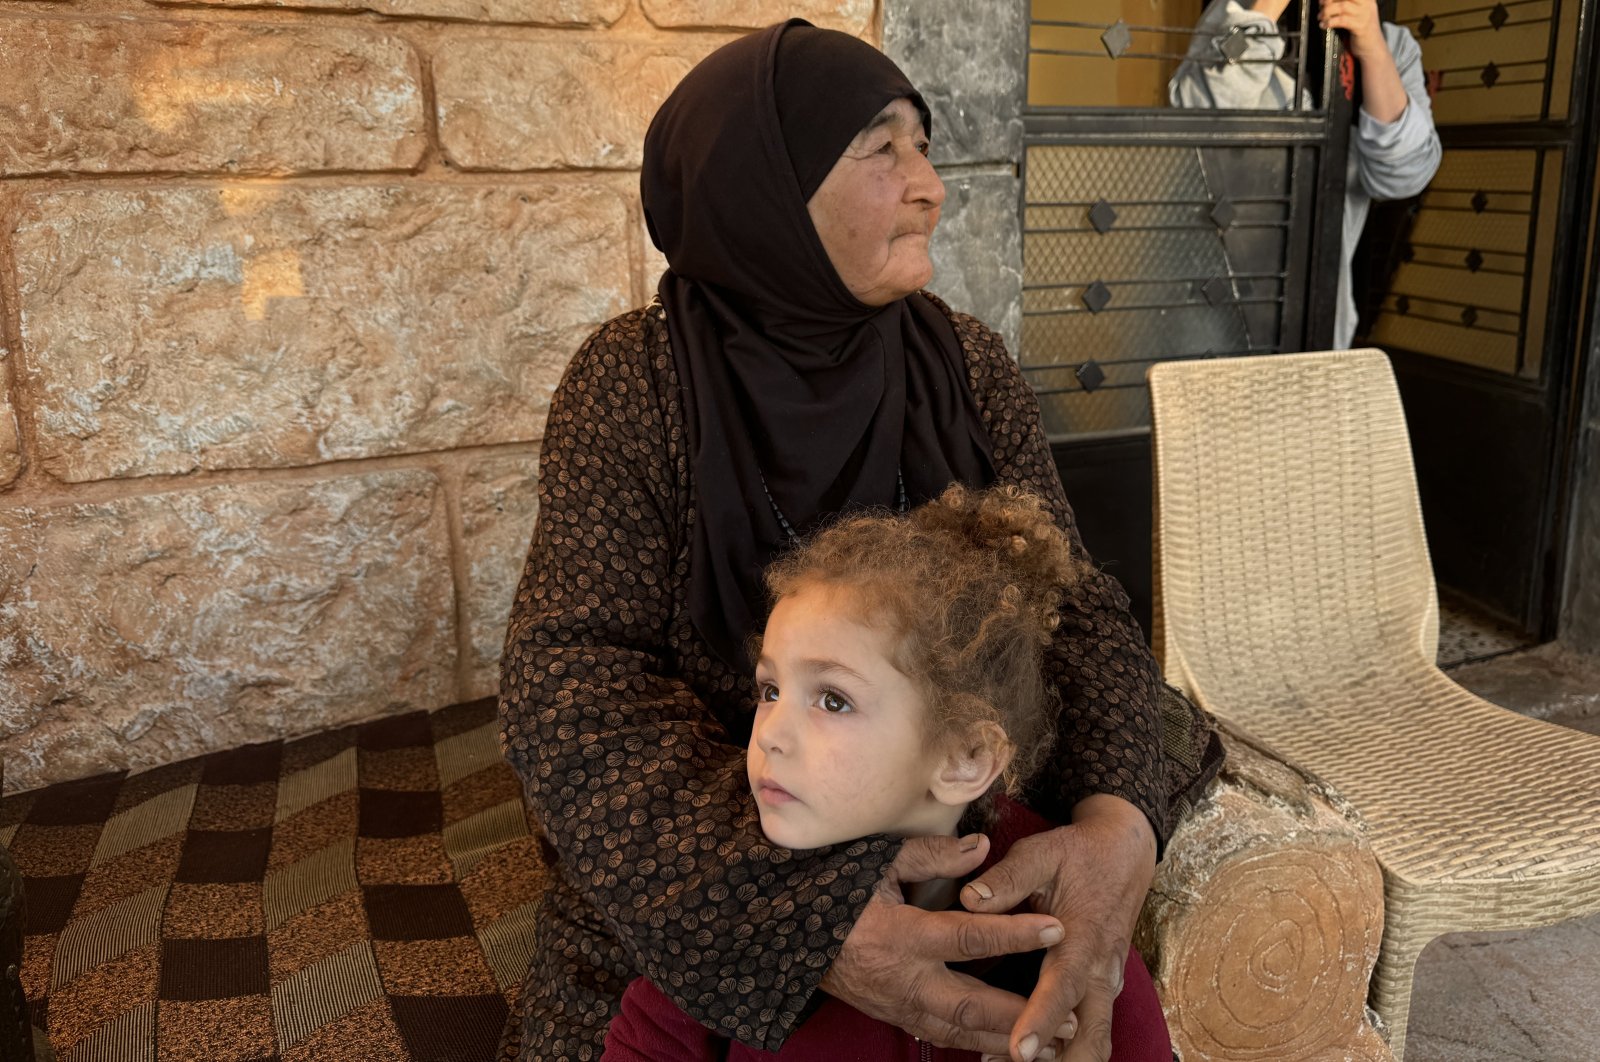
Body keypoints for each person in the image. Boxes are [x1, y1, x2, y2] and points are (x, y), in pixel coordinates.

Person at [497, 19, 1222, 1062]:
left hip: (943, 819)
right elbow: (571, 681)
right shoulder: (636, 383)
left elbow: (1074, 608)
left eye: (920, 145)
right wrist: (800, 907)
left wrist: (1119, 822)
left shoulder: (964, 364)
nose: (928, 183)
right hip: (737, 839)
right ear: (760, 191)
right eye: (880, 149)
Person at [599, 485, 1176, 1061]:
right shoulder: (738, 896)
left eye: (832, 700)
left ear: (965, 759)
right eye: (770, 690)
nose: (769, 732)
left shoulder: (1060, 927)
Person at [1169, 0, 1441, 348]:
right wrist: (1264, 10)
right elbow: (1197, 116)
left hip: (1315, 313)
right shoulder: (1237, 13)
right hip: (1208, 300)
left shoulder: (1393, 46)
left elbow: (1405, 175)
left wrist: (1372, 49)